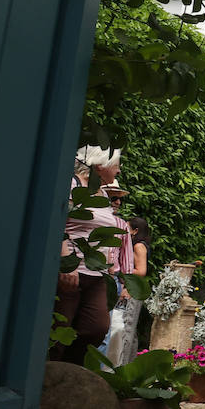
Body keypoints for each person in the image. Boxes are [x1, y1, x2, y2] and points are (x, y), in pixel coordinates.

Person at [55, 146, 129, 365]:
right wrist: (66, 262)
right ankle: (50, 380)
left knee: (96, 328)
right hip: (72, 271)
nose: (118, 170)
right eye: (116, 164)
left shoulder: (103, 193)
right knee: (59, 332)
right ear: (99, 166)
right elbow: (57, 221)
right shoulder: (72, 185)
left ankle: (72, 373)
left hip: (96, 275)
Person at [104, 214, 150, 367]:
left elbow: (141, 270)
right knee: (130, 329)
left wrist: (120, 271)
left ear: (135, 231)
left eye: (128, 228)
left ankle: (123, 366)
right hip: (134, 288)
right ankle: (128, 364)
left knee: (127, 328)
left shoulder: (138, 246)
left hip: (133, 289)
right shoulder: (140, 245)